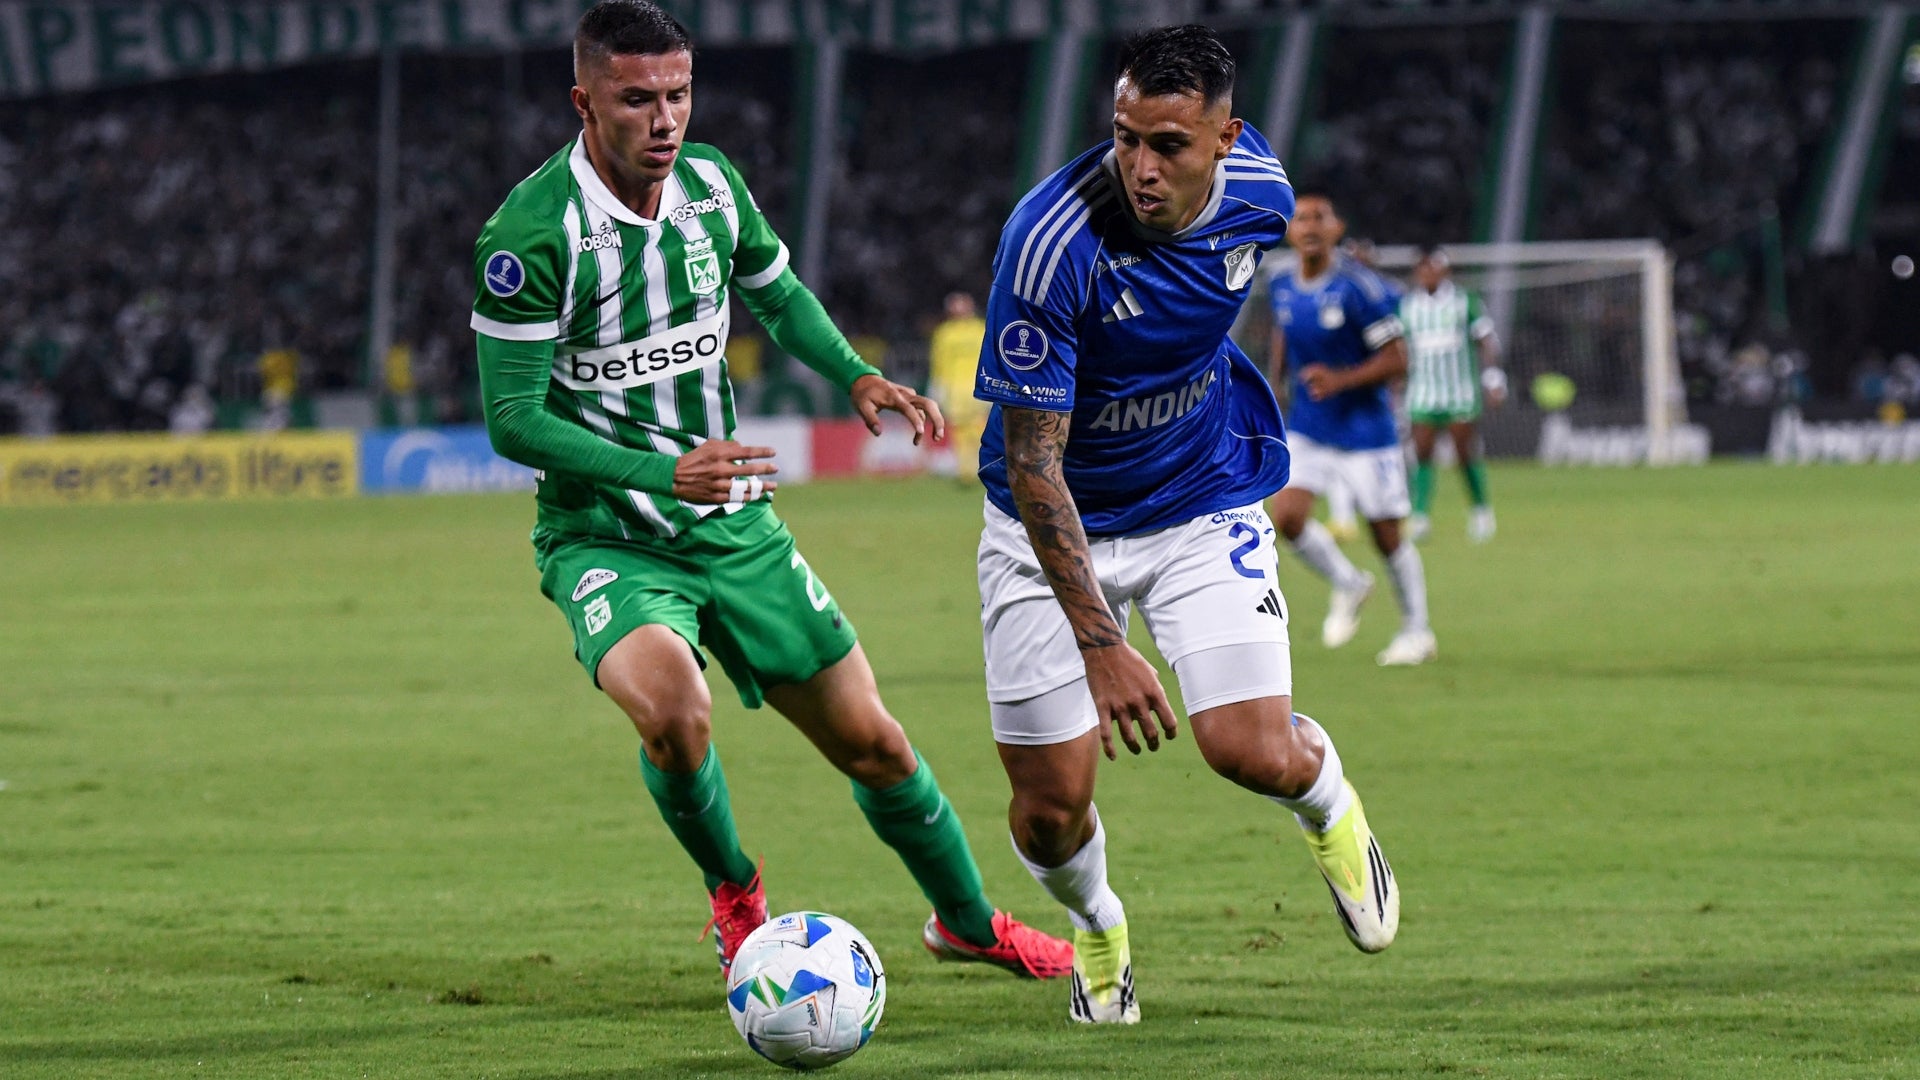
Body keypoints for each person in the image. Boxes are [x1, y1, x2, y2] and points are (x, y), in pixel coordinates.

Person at [468, 0, 1070, 982]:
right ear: (584, 102)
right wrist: (662, 470)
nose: (665, 120)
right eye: (636, 100)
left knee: (874, 746)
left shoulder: (711, 186)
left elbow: (776, 292)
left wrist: (854, 374)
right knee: (673, 711)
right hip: (606, 536)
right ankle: (737, 890)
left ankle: (967, 921)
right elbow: (512, 420)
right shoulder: (532, 234)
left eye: (679, 94)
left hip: (736, 527)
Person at [972, 25, 1400, 1025]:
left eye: (1169, 143)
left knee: (1248, 749)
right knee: (1048, 809)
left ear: (1225, 138)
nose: (1141, 166)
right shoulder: (1049, 247)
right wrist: (1101, 642)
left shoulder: (1264, 196)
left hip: (1200, 497)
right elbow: (1035, 463)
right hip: (1048, 530)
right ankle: (1098, 926)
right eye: (1126, 138)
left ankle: (1330, 804)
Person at [1267, 194, 1437, 666]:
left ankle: (1417, 631)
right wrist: (1274, 385)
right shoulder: (1281, 284)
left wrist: (1339, 379)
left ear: (1338, 228)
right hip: (1309, 426)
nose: (1311, 226)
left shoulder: (1360, 288)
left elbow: (1397, 359)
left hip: (1365, 430)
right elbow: (1284, 337)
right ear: (1289, 229)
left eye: (1321, 217)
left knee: (1385, 535)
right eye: (1301, 218)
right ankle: (1348, 583)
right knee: (1288, 518)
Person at [1401, 246, 1504, 544]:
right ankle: (1420, 516)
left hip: (1460, 392)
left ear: (1444, 270)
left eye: (1433, 268)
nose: (1428, 274)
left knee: (1464, 452)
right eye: (1423, 269)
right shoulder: (1407, 307)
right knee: (1421, 453)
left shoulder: (1464, 302)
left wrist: (1493, 378)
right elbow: (1398, 348)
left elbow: (1486, 341)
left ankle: (1481, 511)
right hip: (1423, 391)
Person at [927, 291, 989, 479]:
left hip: (974, 386)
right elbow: (938, 362)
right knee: (961, 429)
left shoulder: (978, 330)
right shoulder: (945, 333)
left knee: (976, 427)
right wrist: (937, 386)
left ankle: (977, 466)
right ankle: (967, 469)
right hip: (957, 388)